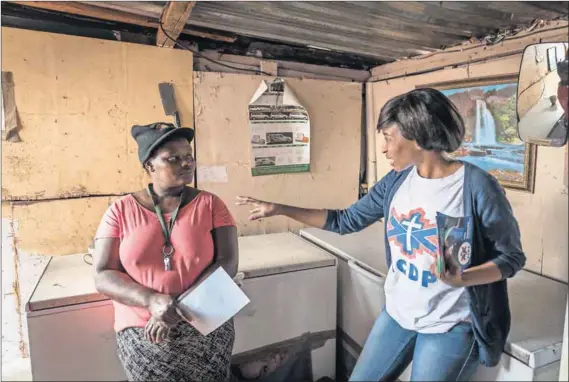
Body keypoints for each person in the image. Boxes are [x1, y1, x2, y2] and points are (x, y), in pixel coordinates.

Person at [236, 88, 526, 381]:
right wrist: (280, 208)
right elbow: (345, 220)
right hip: (398, 314)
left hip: (450, 325)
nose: (384, 149)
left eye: (388, 138)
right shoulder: (397, 181)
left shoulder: (477, 187)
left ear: (416, 135)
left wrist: (462, 279)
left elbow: (511, 258)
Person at [93, 122, 238, 381]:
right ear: (149, 166)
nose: (186, 164)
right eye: (173, 159)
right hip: (143, 328)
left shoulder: (211, 204)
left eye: (189, 157)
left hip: (206, 321)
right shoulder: (120, 210)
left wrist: (175, 310)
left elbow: (227, 263)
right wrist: (152, 300)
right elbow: (103, 274)